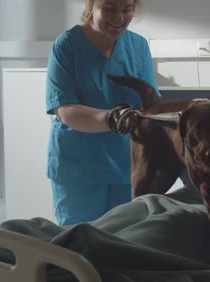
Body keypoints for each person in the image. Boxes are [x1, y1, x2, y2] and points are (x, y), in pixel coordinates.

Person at [45, 0, 158, 226]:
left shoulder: (139, 47)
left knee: (123, 244)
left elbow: (150, 106)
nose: (119, 17)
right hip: (79, 169)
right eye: (109, 8)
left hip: (127, 167)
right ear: (91, 4)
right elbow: (65, 110)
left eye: (127, 9)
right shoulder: (67, 45)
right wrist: (112, 119)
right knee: (79, 245)